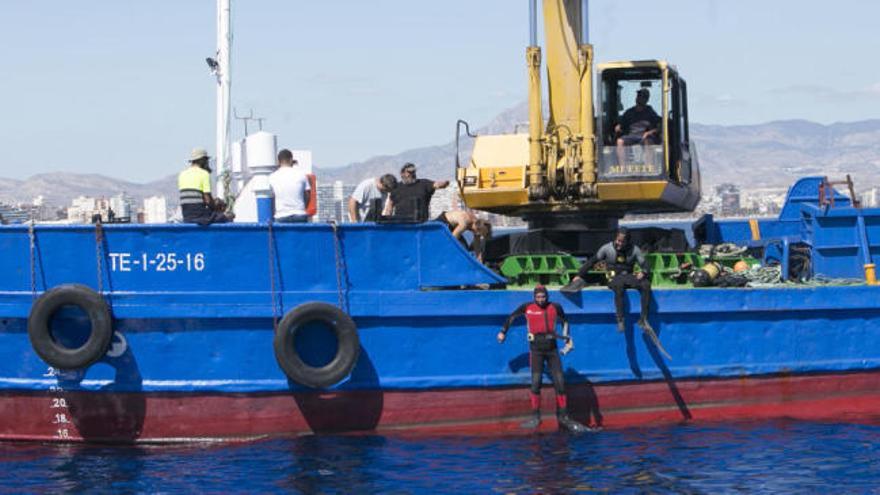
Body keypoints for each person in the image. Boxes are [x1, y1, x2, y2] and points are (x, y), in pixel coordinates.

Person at [497, 285, 588, 433]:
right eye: (538, 297)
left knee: (560, 383)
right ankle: (536, 417)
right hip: (536, 350)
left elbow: (565, 322)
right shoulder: (527, 307)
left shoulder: (555, 307)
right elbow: (511, 317)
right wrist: (503, 332)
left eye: (543, 297)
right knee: (535, 384)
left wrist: (567, 339)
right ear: (534, 297)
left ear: (547, 296)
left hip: (552, 350)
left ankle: (564, 417)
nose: (540, 300)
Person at [561, 228, 653, 334]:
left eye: (623, 242)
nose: (619, 243)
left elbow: (645, 264)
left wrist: (644, 272)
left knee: (646, 284)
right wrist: (579, 275)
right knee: (619, 285)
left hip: (628, 276)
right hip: (613, 278)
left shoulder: (634, 250)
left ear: (628, 241)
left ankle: (643, 319)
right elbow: (592, 261)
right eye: (618, 240)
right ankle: (620, 319)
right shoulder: (607, 248)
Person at [178, 147, 232, 224]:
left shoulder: (182, 175)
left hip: (186, 216)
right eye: (206, 160)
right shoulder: (204, 174)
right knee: (229, 216)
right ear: (202, 160)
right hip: (200, 216)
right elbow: (208, 201)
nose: (208, 163)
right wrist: (218, 206)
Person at [385, 162, 449, 222]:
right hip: (401, 224)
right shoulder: (396, 187)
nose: (412, 174)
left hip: (420, 224)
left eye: (413, 172)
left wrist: (444, 183)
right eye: (409, 172)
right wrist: (387, 221)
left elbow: (437, 184)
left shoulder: (424, 184)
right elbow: (389, 207)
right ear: (402, 173)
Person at [615, 88, 661, 167]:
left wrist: (649, 132)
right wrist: (618, 127)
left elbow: (659, 127)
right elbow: (621, 125)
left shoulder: (650, 112)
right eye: (639, 96)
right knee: (620, 141)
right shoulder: (629, 112)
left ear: (647, 99)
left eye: (643, 96)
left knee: (648, 141)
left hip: (645, 136)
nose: (640, 98)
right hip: (631, 136)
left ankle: (648, 167)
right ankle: (622, 168)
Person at [269, 149, 311, 223]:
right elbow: (308, 195)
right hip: (299, 214)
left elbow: (271, 198)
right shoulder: (301, 174)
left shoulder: (272, 177)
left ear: (278, 161)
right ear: (291, 159)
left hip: (281, 215)